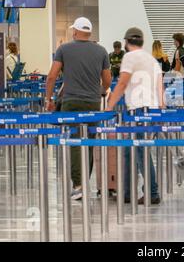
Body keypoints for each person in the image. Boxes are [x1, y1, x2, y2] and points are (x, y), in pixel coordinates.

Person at [45, 17, 111, 201]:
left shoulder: (64, 49)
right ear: (89, 32)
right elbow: (107, 80)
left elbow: (51, 76)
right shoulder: (101, 51)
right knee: (89, 140)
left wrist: (48, 99)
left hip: (71, 102)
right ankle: (85, 182)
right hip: (93, 103)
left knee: (74, 141)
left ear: (75, 32)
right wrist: (99, 91)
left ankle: (78, 185)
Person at [106, 27, 163, 205]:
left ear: (126, 42)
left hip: (138, 110)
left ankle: (152, 192)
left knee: (140, 151)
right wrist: (161, 108)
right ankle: (127, 192)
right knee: (129, 151)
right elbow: (160, 86)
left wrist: (109, 106)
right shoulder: (152, 59)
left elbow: (122, 83)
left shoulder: (129, 57)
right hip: (151, 109)